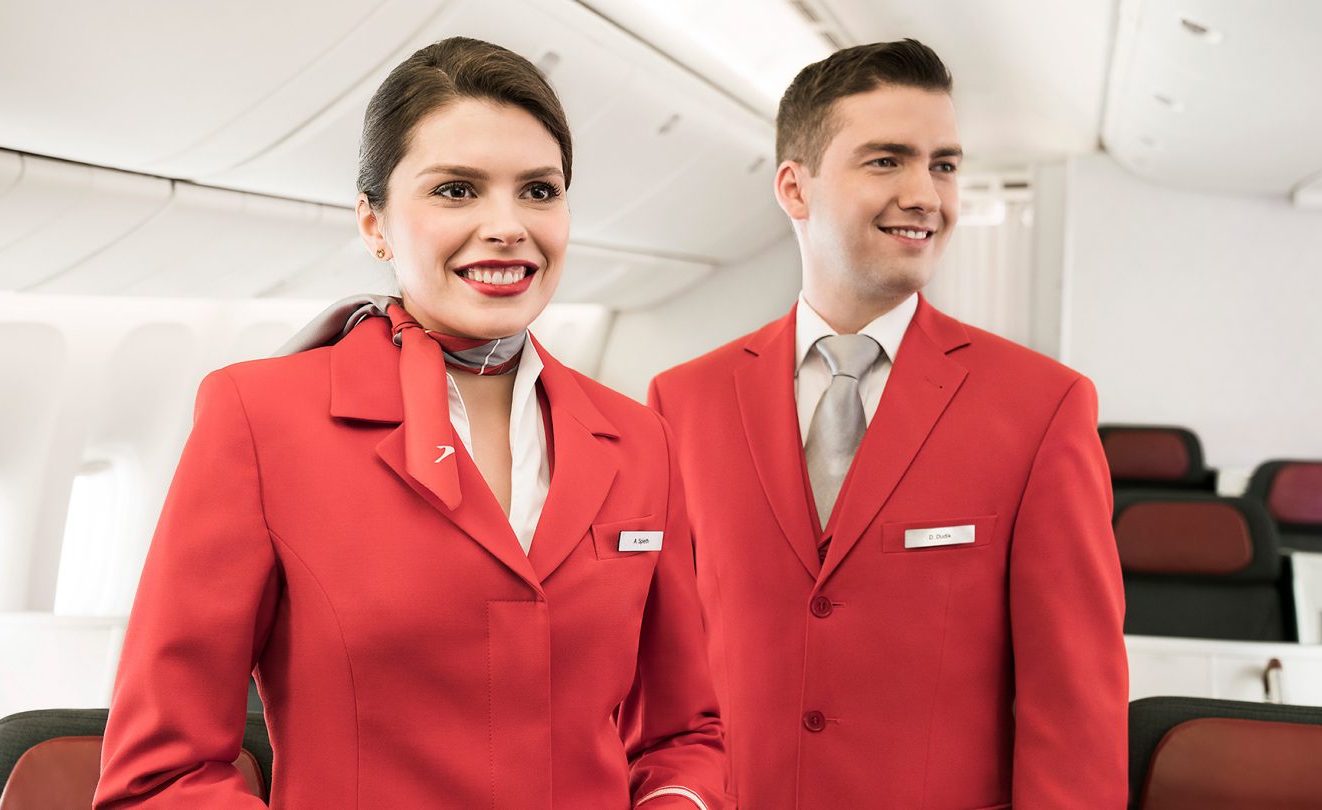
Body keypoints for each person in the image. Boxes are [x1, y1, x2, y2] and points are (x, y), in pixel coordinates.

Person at [95, 37, 724, 809]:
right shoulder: (260, 421)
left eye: (539, 191)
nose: (508, 226)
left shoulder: (636, 440)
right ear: (374, 224)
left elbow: (685, 737)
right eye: (457, 191)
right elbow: (162, 776)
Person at [648, 39, 1126, 808]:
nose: (926, 196)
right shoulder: (685, 402)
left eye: (943, 165)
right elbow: (663, 678)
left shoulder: (1042, 409)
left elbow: (1074, 710)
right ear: (794, 189)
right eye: (886, 161)